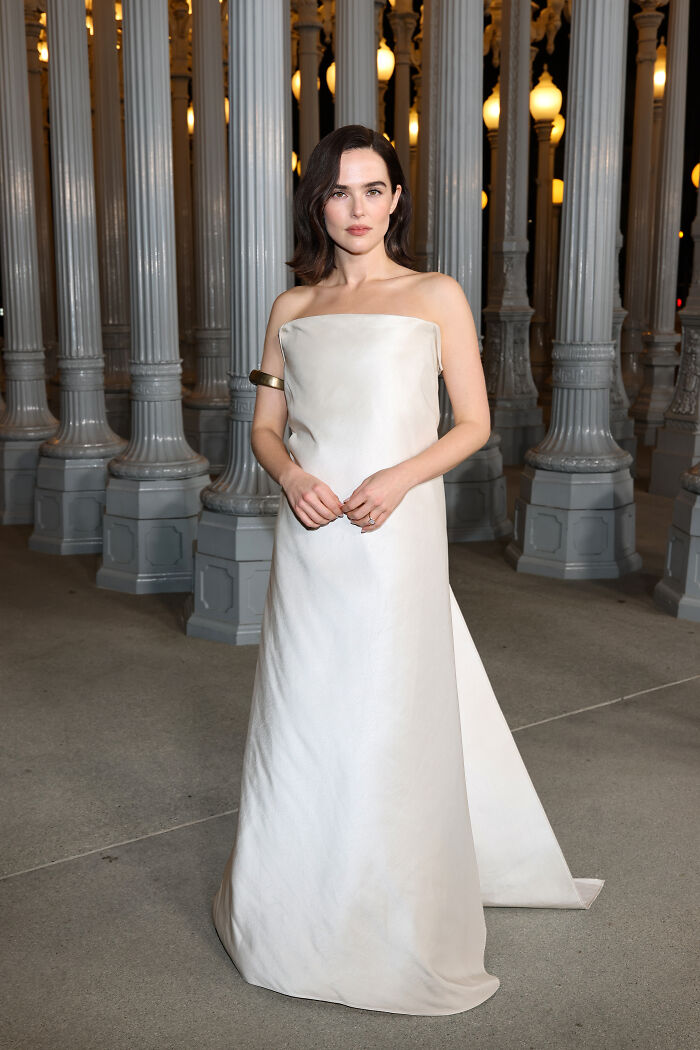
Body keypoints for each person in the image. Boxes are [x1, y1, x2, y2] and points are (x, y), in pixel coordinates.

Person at [212, 124, 603, 1016]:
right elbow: (265, 429)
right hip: (311, 540)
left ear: (397, 199)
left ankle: (390, 922)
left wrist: (396, 475)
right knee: (304, 715)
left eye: (375, 190)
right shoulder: (291, 308)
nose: (358, 209)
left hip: (396, 533)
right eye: (339, 192)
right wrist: (293, 478)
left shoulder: (436, 295)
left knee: (388, 711)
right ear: (317, 201)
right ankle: (289, 913)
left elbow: (472, 424)